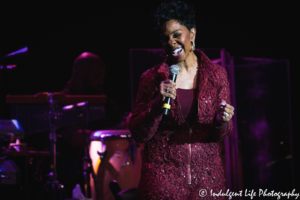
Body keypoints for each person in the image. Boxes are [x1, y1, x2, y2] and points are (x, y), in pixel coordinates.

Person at [129, 1, 235, 199]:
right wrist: (156, 107)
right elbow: (138, 133)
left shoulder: (217, 75)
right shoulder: (151, 78)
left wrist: (223, 121)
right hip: (162, 183)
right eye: (165, 38)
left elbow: (222, 134)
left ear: (192, 34)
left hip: (207, 181)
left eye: (177, 34)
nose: (171, 42)